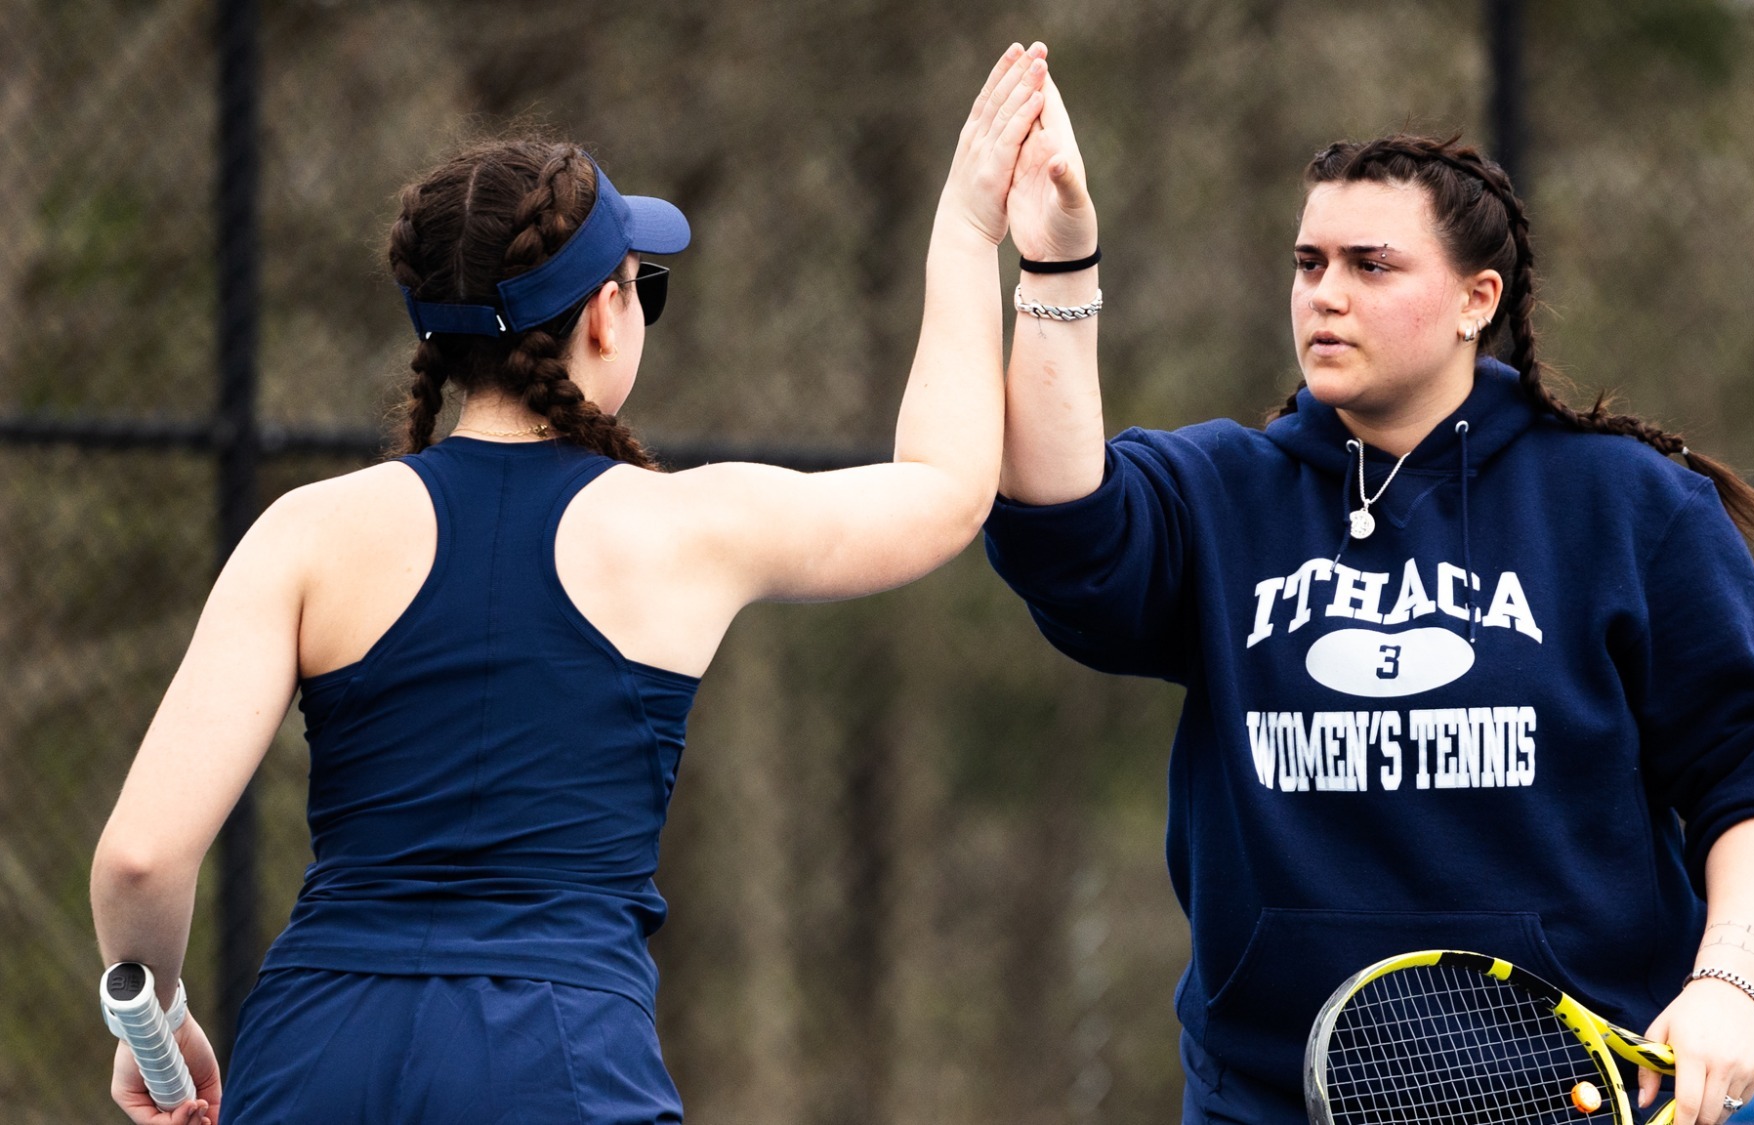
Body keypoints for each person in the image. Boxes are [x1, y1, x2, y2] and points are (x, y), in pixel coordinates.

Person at [89, 43, 1050, 1125]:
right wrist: (967, 230)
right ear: (603, 313)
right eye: (645, 286)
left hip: (316, 1049)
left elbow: (138, 860)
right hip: (555, 1056)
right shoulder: (686, 528)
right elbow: (946, 490)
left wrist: (154, 1021)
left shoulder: (305, 534)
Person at [985, 73, 1754, 1125]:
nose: (1324, 293)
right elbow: (1060, 520)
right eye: (1308, 263)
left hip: (1569, 1099)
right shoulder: (1220, 494)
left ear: (1475, 301)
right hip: (1265, 1099)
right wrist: (1057, 262)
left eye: (1370, 264)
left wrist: (1727, 982)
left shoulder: (1625, 505)